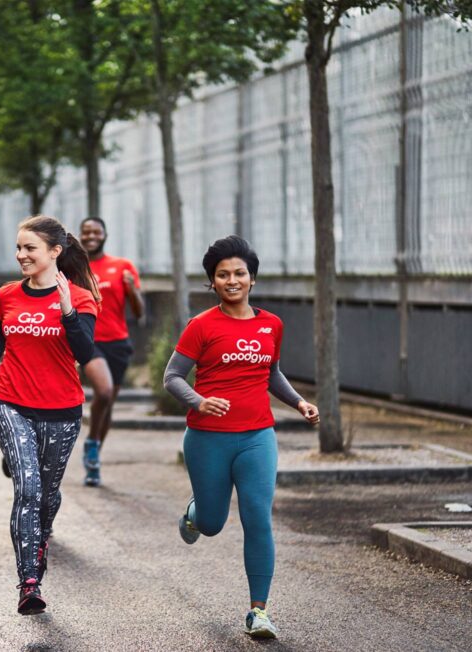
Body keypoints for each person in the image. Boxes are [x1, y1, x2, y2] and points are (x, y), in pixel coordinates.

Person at [163, 235, 319, 640]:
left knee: (257, 518)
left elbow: (271, 373)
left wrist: (299, 402)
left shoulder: (272, 324)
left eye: (239, 273)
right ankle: (197, 514)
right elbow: (172, 377)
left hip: (257, 437)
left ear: (252, 279)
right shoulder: (202, 326)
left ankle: (259, 611)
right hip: (208, 438)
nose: (232, 280)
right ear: (212, 282)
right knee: (213, 524)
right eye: (222, 275)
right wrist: (198, 401)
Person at [0, 215, 99, 616]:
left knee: (46, 493)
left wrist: (66, 311)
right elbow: (0, 334)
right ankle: (29, 582)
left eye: (30, 248)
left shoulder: (80, 298)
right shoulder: (9, 294)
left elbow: (85, 352)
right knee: (27, 488)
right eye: (19, 247)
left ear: (55, 253)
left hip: (61, 408)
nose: (20, 255)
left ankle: (40, 538)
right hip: (9, 400)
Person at [78, 217, 144, 486]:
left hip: (118, 342)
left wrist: (131, 288)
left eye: (96, 231)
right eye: (86, 232)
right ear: (81, 236)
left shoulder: (123, 267)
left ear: (104, 235)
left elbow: (139, 313)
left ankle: (94, 460)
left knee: (107, 405)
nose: (91, 235)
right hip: (88, 341)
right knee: (103, 392)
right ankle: (92, 442)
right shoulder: (74, 268)